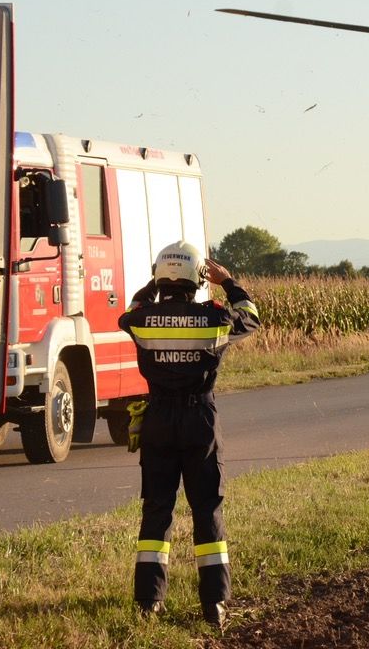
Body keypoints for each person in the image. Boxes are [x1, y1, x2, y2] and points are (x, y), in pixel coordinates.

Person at [118, 240, 261, 628]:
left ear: (159, 275)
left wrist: (153, 284)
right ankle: (214, 602)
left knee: (157, 510)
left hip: (158, 418)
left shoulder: (143, 317)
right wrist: (228, 281)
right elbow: (250, 316)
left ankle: (149, 600)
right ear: (199, 278)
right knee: (207, 509)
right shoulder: (214, 316)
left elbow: (128, 313)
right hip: (200, 418)